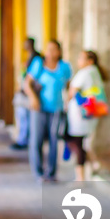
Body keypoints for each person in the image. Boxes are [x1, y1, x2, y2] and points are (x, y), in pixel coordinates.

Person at [24, 39, 72, 182]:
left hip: (56, 108)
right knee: (37, 140)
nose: (50, 52)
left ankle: (51, 172)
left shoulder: (64, 67)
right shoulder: (39, 63)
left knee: (53, 140)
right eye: (48, 49)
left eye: (54, 49)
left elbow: (69, 86)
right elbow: (27, 84)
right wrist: (34, 99)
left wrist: (69, 103)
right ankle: (38, 172)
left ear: (59, 52)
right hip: (38, 108)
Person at [66, 50, 107, 181]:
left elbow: (72, 92)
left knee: (78, 143)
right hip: (91, 113)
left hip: (81, 115)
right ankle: (95, 165)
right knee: (85, 143)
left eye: (81, 58)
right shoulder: (95, 73)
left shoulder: (84, 73)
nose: (79, 61)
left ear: (90, 61)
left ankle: (80, 177)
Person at [10, 38, 43, 150]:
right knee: (23, 117)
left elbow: (31, 78)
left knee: (25, 117)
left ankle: (24, 139)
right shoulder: (31, 57)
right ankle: (23, 138)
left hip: (29, 93)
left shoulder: (36, 58)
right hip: (25, 91)